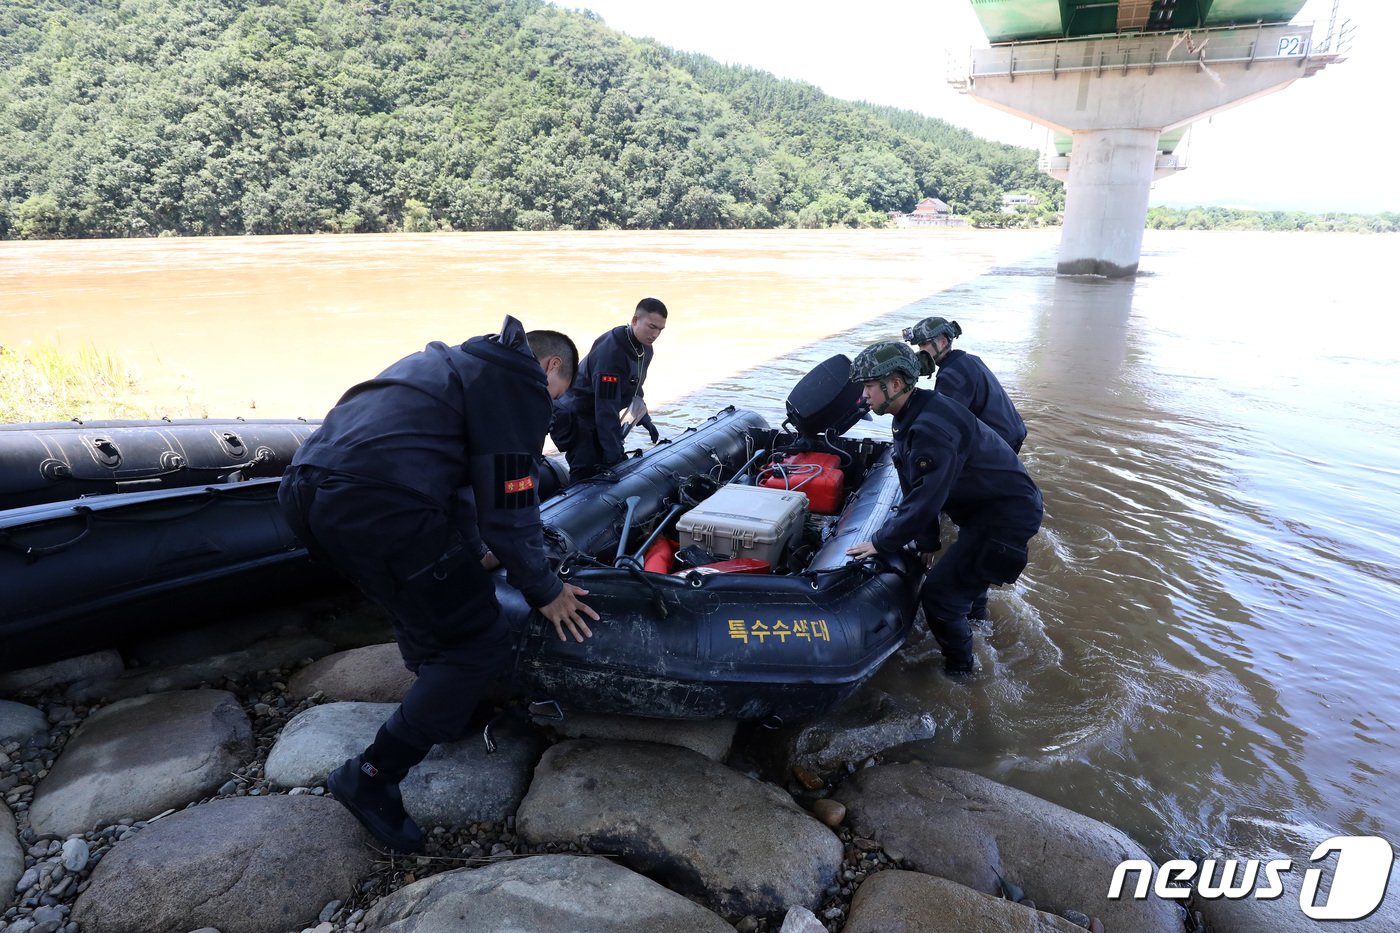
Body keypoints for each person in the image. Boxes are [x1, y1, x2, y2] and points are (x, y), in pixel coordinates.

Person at [278, 316, 599, 853]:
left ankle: (443, 708)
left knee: (418, 596)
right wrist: (545, 589)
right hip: (381, 501)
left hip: (306, 492)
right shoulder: (519, 384)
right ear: (551, 367)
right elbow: (511, 509)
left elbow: (457, 487)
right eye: (559, 393)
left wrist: (475, 554)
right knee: (481, 640)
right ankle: (373, 775)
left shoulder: (455, 363)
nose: (552, 409)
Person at [845, 341, 1042, 676]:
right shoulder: (916, 411)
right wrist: (927, 542)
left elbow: (926, 499)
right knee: (967, 583)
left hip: (1004, 516)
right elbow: (916, 483)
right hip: (991, 508)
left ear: (894, 384)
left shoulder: (929, 428)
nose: (863, 396)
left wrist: (881, 542)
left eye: (868, 387)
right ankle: (980, 629)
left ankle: (962, 674)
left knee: (939, 596)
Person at [550, 297, 667, 479]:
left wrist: (645, 418)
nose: (655, 334)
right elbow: (606, 409)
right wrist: (615, 455)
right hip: (576, 415)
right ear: (635, 320)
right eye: (651, 327)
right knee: (587, 470)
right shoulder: (611, 353)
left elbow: (635, 387)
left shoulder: (645, 349)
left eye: (660, 330)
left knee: (606, 458)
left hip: (597, 411)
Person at [904, 316, 1027, 454]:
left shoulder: (951, 375)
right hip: (1012, 431)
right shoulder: (967, 360)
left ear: (943, 342)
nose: (920, 351)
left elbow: (943, 422)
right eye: (919, 346)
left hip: (1000, 441)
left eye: (924, 344)